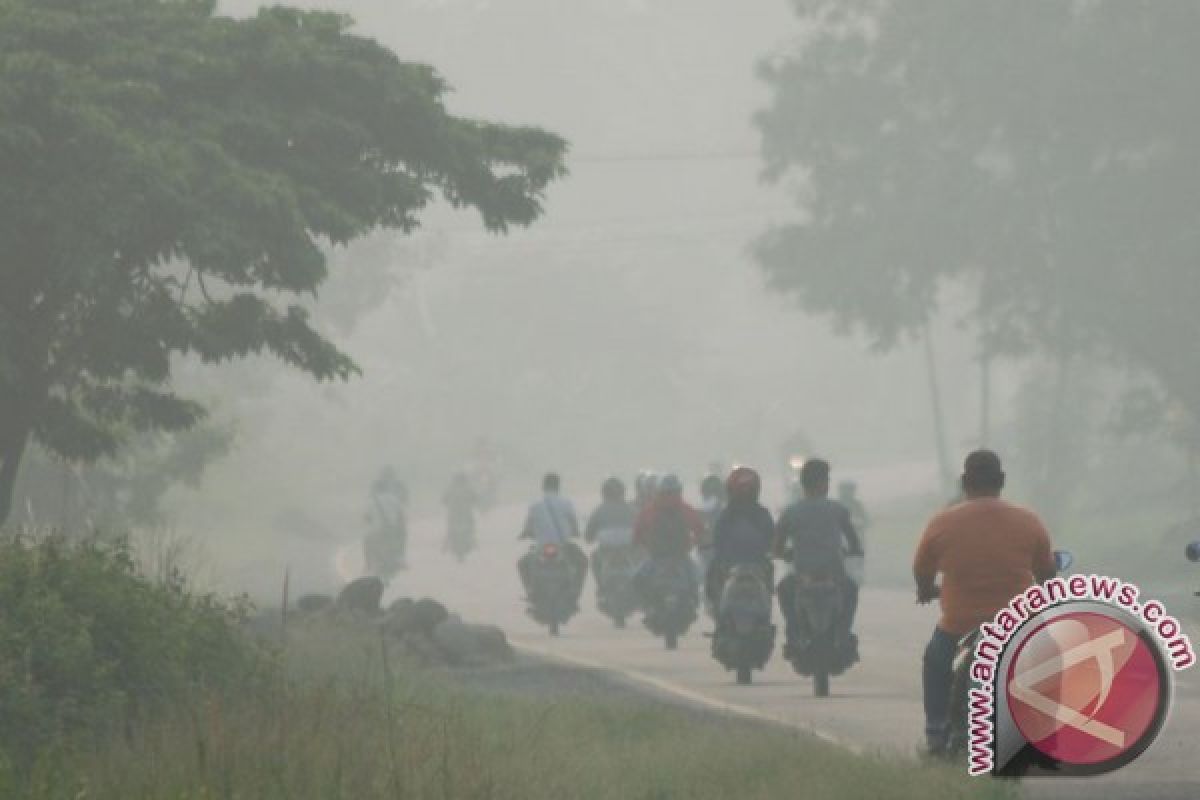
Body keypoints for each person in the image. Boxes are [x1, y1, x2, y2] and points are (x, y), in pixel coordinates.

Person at [913, 450, 1056, 755]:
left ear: (965, 482)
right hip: (1014, 627)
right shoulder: (1029, 521)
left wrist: (926, 589)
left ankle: (936, 733)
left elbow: (922, 570)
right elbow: (1046, 573)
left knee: (935, 662)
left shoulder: (942, 522)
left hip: (957, 628)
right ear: (1001, 481)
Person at [773, 458, 864, 657]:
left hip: (802, 575)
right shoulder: (838, 510)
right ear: (823, 483)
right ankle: (842, 634)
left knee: (784, 589)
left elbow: (777, 546)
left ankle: (794, 635)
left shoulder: (791, 512)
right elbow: (853, 541)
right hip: (834, 573)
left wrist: (784, 554)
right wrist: (855, 551)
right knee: (851, 590)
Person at [706, 467, 774, 613]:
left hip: (733, 564)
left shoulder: (727, 514)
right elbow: (772, 537)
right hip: (754, 564)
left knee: (712, 572)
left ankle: (715, 607)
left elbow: (717, 538)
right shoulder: (761, 513)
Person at [632, 473, 705, 601]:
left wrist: (641, 543)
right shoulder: (685, 509)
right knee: (698, 580)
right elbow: (699, 530)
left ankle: (646, 604)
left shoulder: (650, 510)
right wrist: (695, 542)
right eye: (667, 494)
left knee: (636, 579)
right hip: (676, 558)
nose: (669, 498)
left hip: (661, 558)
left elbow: (638, 532)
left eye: (672, 493)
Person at [518, 473, 588, 604]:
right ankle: (576, 591)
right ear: (558, 486)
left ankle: (529, 590)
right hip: (563, 546)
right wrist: (576, 533)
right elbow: (573, 523)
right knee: (583, 561)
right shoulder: (566, 503)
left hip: (541, 547)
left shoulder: (535, 505)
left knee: (522, 564)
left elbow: (528, 526)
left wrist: (524, 534)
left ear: (543, 487)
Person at [584, 476, 637, 588]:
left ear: (604, 493)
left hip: (607, 550)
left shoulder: (599, 510)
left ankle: (601, 587)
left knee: (594, 558)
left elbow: (588, 535)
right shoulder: (631, 509)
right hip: (627, 549)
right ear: (622, 492)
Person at [364, 466, 409, 576]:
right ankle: (401, 558)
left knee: (366, 541)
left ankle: (368, 563)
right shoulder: (394, 497)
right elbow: (401, 513)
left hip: (377, 530)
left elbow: (366, 517)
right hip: (392, 529)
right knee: (402, 537)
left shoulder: (372, 501)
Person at [442, 472, 479, 556]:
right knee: (471, 527)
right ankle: (473, 541)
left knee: (450, 529)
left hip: (454, 515)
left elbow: (443, 500)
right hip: (466, 515)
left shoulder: (450, 489)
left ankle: (446, 544)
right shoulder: (468, 488)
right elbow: (475, 498)